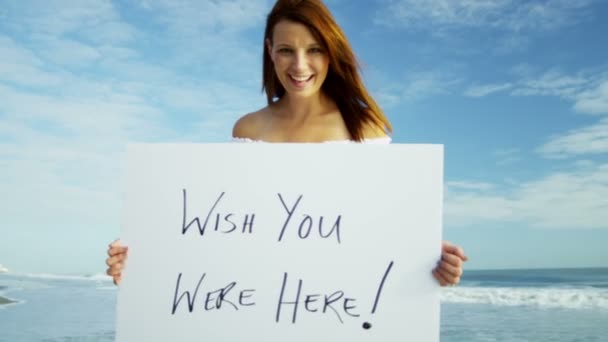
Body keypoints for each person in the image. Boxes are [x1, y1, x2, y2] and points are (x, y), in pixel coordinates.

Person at [106, 0, 467, 287]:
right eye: (285, 50)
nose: (299, 65)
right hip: (264, 305)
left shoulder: (366, 129)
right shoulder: (247, 128)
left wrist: (428, 262)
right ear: (269, 50)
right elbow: (224, 231)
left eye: (314, 49)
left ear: (331, 51)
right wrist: (141, 265)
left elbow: (382, 224)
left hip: (337, 301)